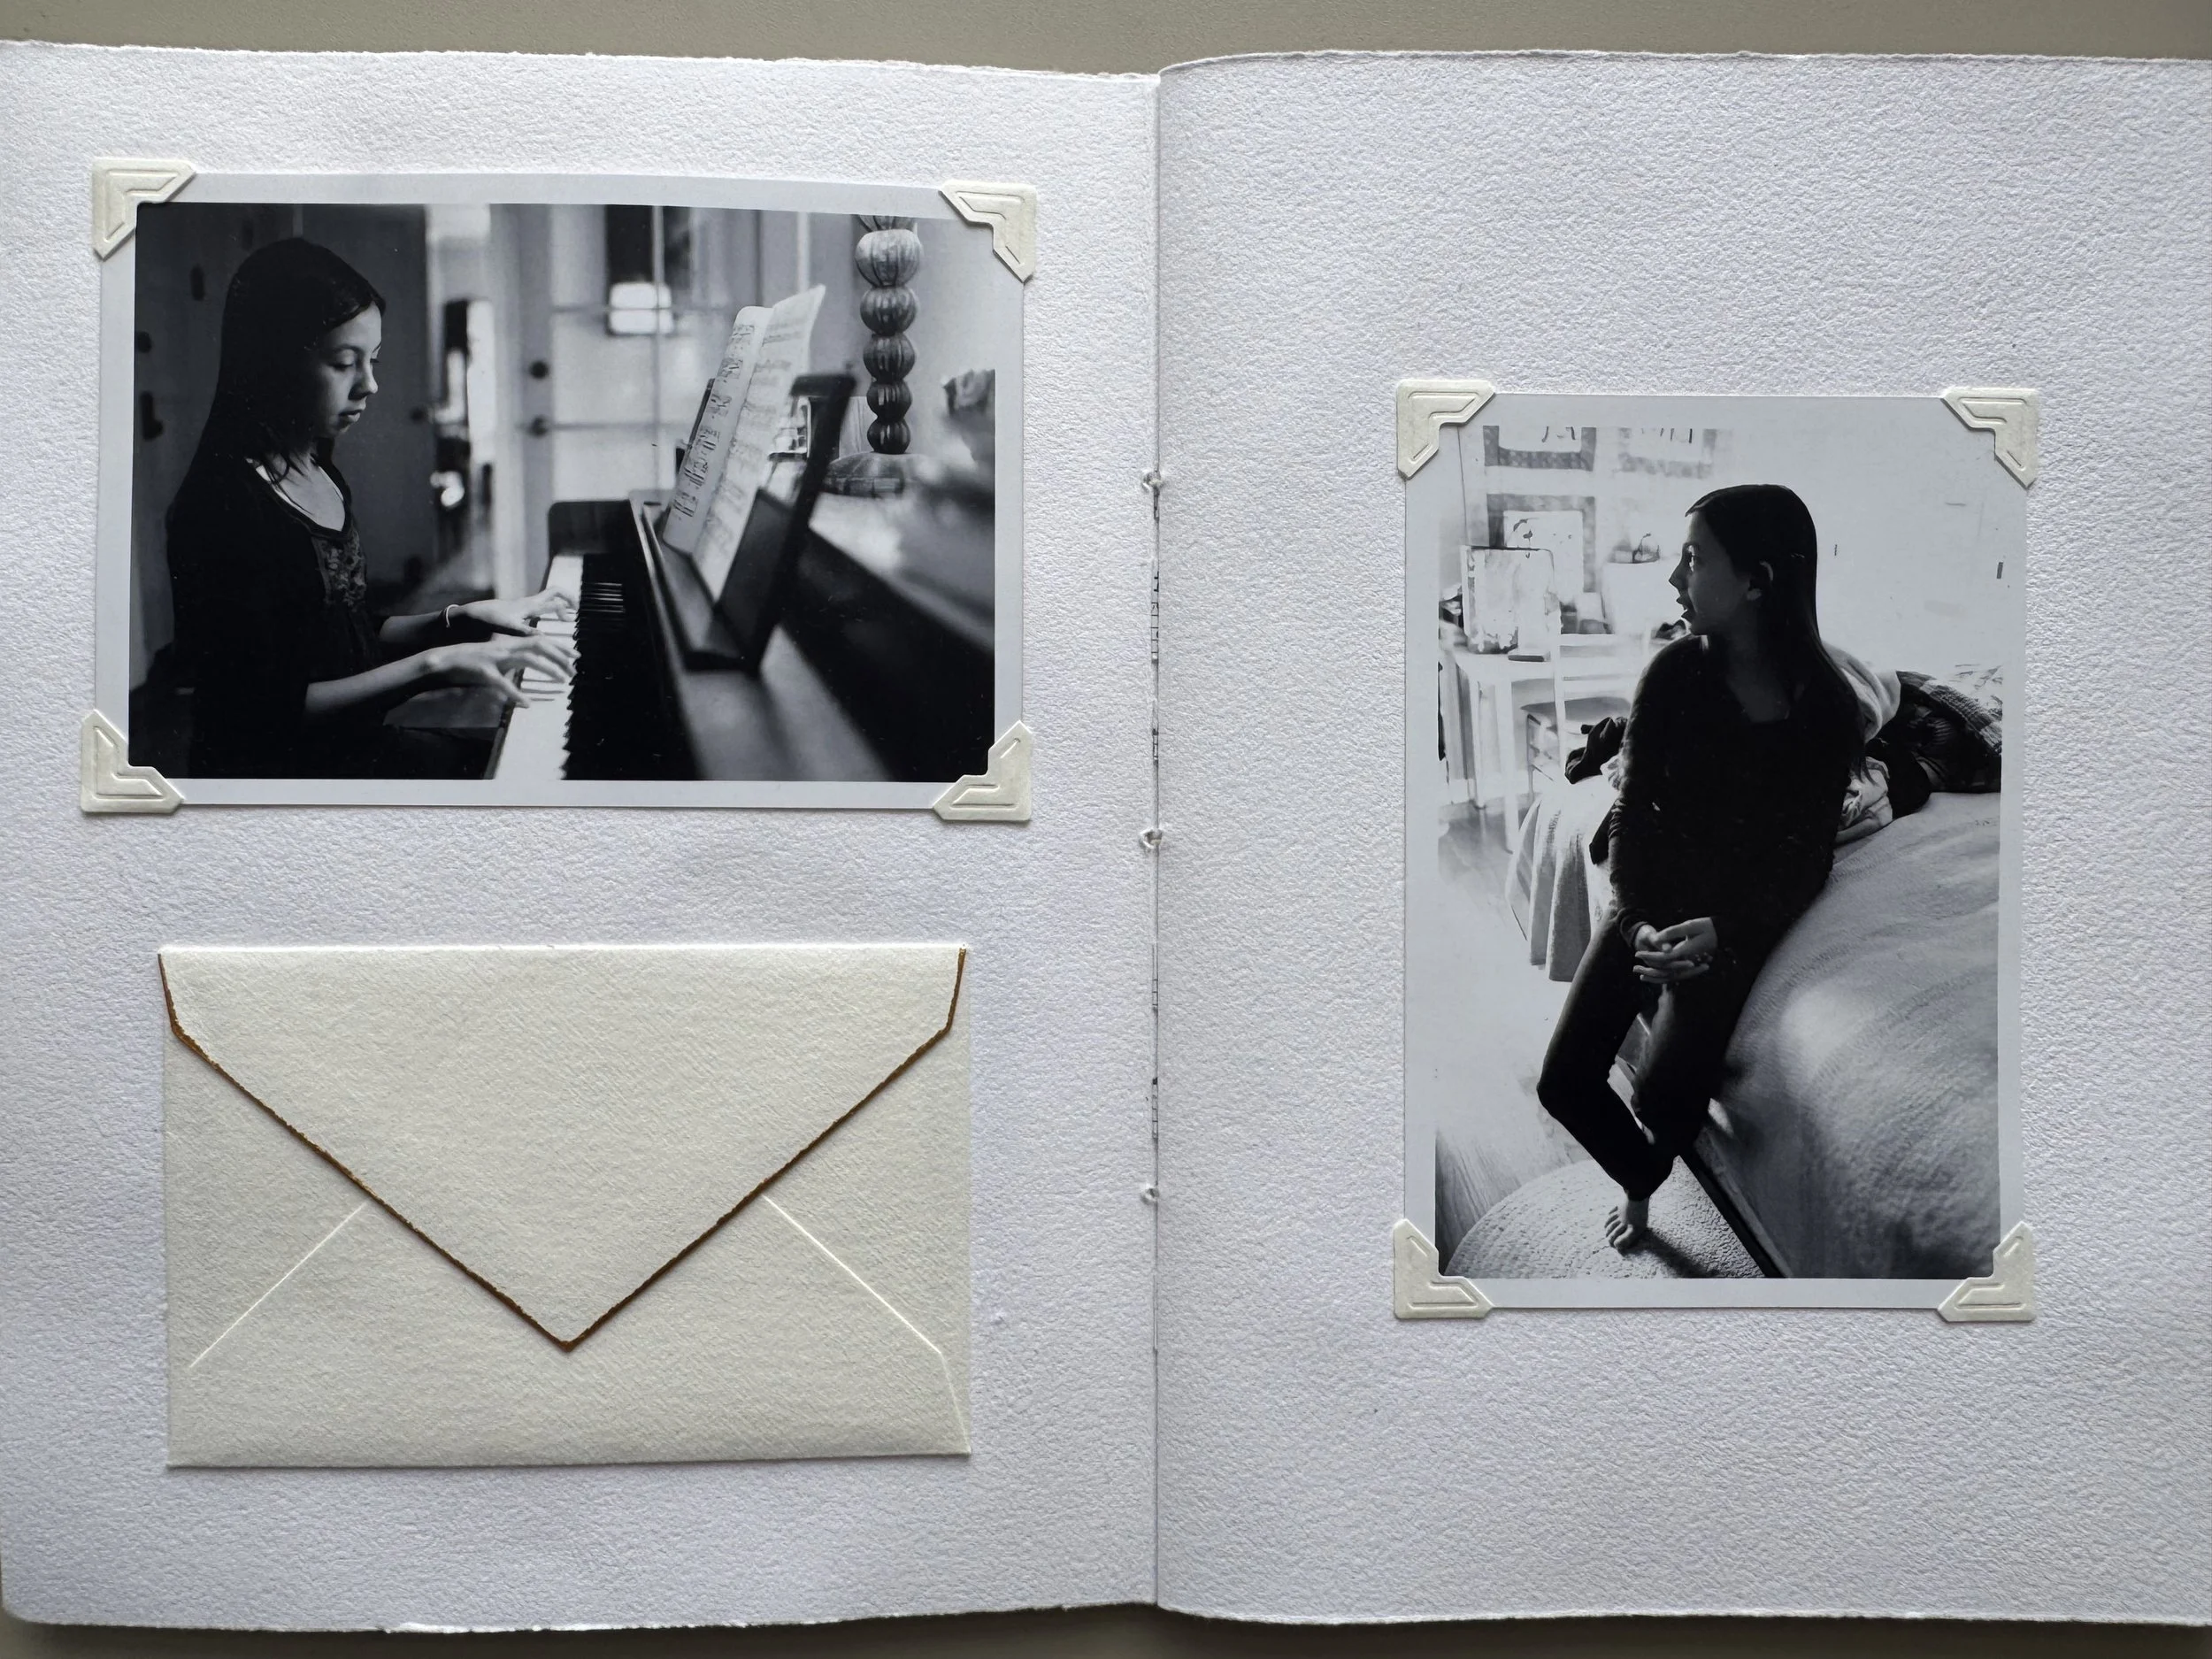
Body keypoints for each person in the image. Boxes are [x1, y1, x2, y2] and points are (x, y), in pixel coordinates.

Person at [1535, 484, 1861, 1251]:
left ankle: (1655, 1165)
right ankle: (1642, 1178)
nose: (1675, 578)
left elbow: (1805, 859)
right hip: (1651, 897)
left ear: (1757, 581)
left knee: (1663, 1095)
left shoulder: (1825, 706)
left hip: (1730, 913)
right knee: (1564, 1082)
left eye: (1694, 559)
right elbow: (1631, 815)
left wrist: (1725, 931)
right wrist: (1637, 922)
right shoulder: (1673, 675)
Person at [165, 237, 574, 778]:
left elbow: (344, 631)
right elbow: (259, 713)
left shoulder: (319, 472)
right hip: (284, 781)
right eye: (343, 363)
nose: (370, 385)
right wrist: (434, 666)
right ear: (271, 361)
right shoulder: (223, 506)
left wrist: (460, 618)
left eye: (373, 360)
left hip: (352, 749)